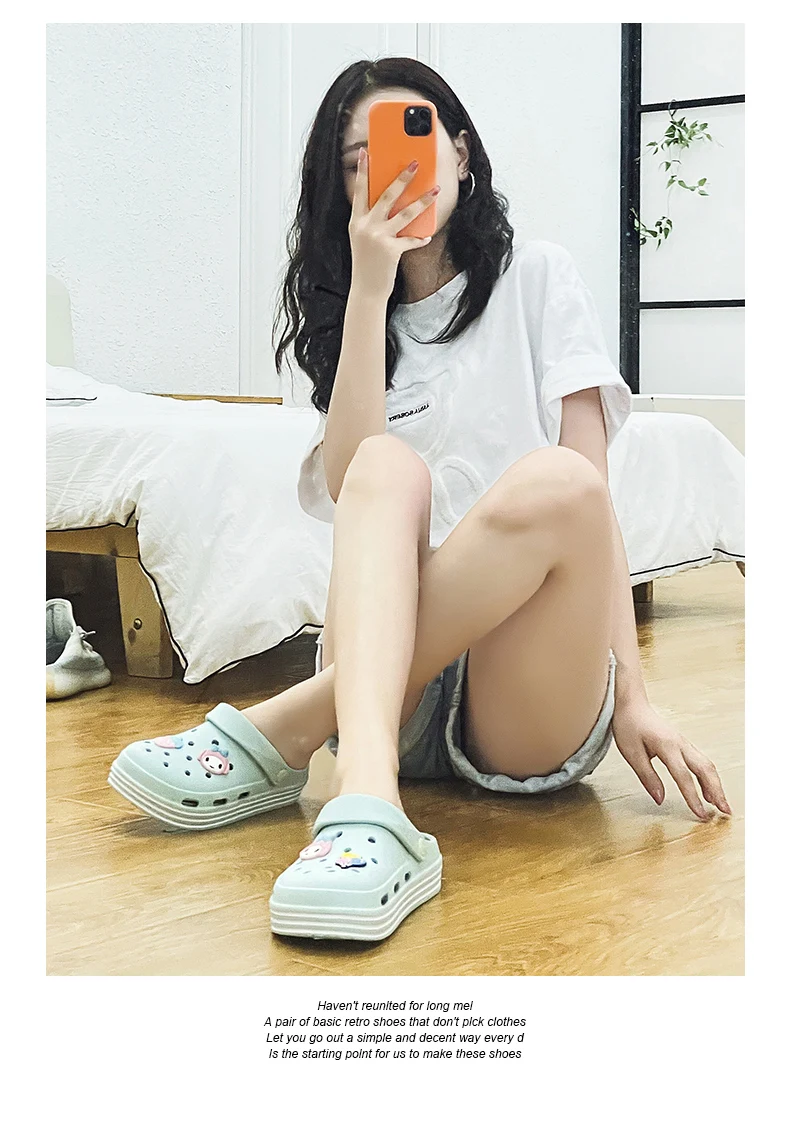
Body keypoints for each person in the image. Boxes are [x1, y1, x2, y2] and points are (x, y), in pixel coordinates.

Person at [108, 58, 731, 943]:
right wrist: (371, 289)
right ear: (339, 191)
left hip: (524, 701)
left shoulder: (539, 278)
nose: (388, 171)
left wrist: (631, 695)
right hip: (386, 714)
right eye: (356, 161)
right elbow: (348, 485)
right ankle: (369, 804)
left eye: (409, 140)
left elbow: (593, 513)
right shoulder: (353, 319)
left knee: (560, 479)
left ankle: (286, 725)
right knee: (383, 465)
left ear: (460, 155)